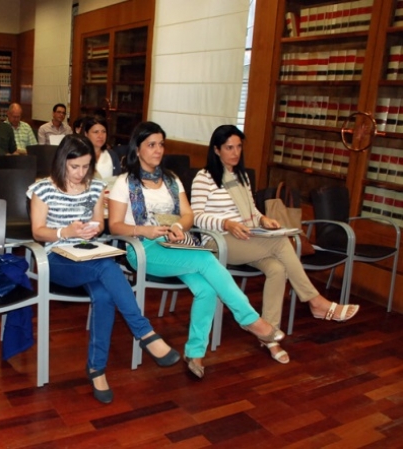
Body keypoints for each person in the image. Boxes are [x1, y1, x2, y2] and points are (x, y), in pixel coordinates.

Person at [107, 121, 285, 379]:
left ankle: (195, 351)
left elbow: (189, 214)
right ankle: (250, 320)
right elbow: (115, 225)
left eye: (161, 144)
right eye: (151, 145)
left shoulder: (171, 179)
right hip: (143, 248)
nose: (158, 150)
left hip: (175, 244)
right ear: (137, 148)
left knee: (207, 288)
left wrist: (179, 225)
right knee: (205, 259)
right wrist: (145, 231)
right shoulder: (124, 182)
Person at [28, 133, 180, 404]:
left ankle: (97, 369)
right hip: (56, 259)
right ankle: (144, 332)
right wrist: (66, 231)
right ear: (62, 162)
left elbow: (99, 224)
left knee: (105, 293)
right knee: (108, 268)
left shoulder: (95, 187)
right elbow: (38, 232)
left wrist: (93, 228)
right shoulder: (42, 189)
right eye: (74, 167)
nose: (80, 173)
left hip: (89, 255)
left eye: (86, 166)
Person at [191, 124, 360, 363]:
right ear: (216, 150)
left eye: (239, 147)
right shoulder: (204, 177)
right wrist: (227, 224)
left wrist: (263, 219)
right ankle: (316, 301)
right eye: (229, 147)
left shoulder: (241, 177)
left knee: (278, 269)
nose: (235, 152)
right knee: (281, 243)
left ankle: (269, 338)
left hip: (248, 237)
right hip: (219, 241)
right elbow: (196, 216)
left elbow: (252, 209)